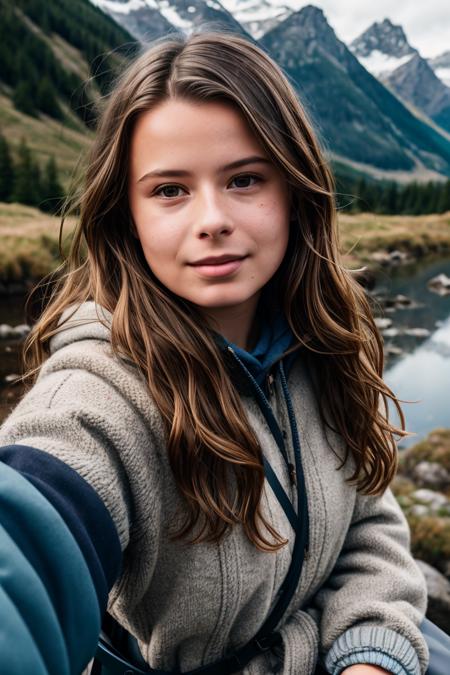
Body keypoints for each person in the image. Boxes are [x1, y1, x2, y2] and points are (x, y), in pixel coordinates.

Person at [0, 28, 442, 675]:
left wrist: (371, 651)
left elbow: (369, 519)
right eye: (170, 189)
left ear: (294, 191)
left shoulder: (325, 341)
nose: (211, 218)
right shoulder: (98, 393)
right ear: (127, 215)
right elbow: (30, 531)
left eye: (244, 179)